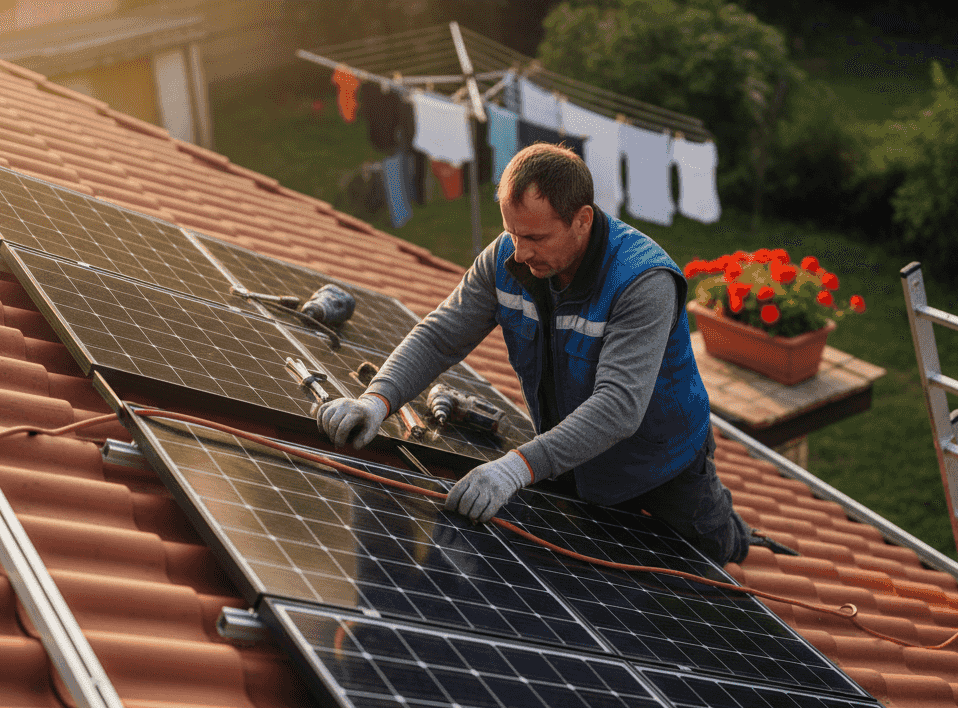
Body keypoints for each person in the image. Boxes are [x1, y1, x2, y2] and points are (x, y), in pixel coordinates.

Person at [317, 142, 756, 565]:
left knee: (713, 555)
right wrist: (378, 400)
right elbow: (440, 335)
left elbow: (620, 406)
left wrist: (515, 468)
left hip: (663, 464)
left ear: (582, 220)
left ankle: (739, 532)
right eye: (511, 231)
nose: (520, 251)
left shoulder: (643, 281)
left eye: (535, 236)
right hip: (574, 457)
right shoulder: (507, 257)